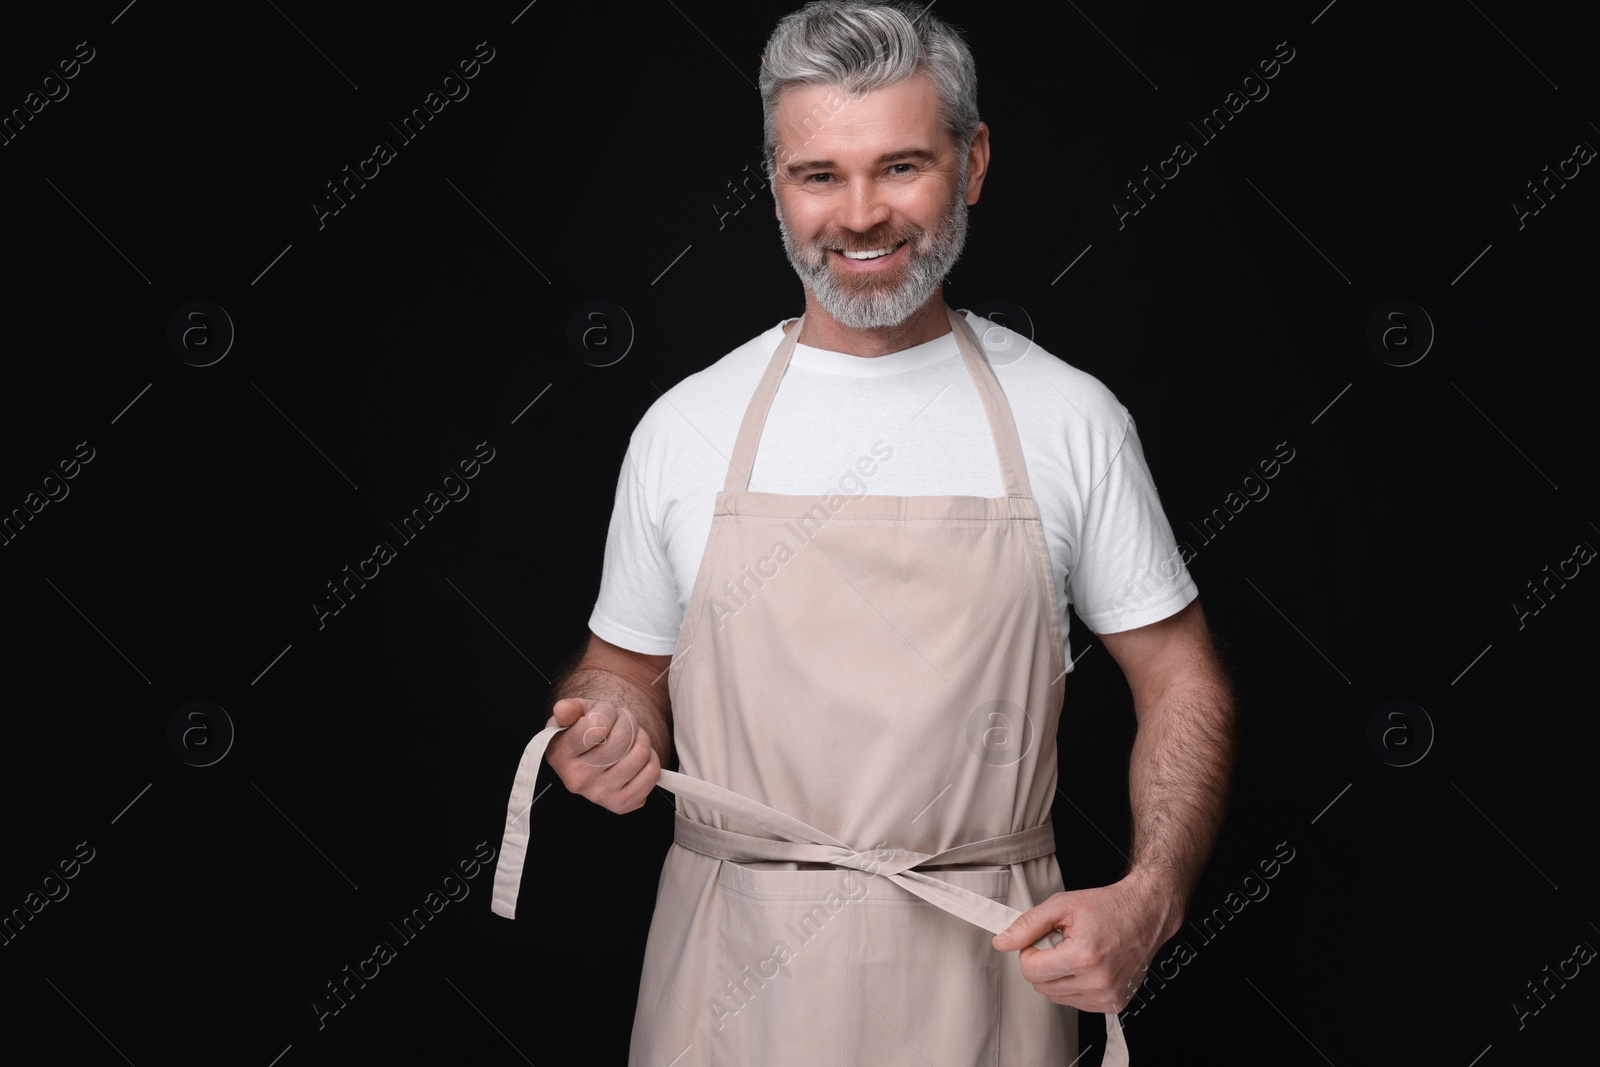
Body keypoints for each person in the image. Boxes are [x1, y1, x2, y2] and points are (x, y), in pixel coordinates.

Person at [490, 3, 1235, 1063]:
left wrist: (1151, 899)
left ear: (971, 162)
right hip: (728, 984)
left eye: (900, 167)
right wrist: (605, 724)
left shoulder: (1070, 421)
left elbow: (1180, 677)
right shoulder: (686, 426)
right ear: (774, 184)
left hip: (990, 978)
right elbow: (623, 671)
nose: (860, 215)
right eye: (818, 174)